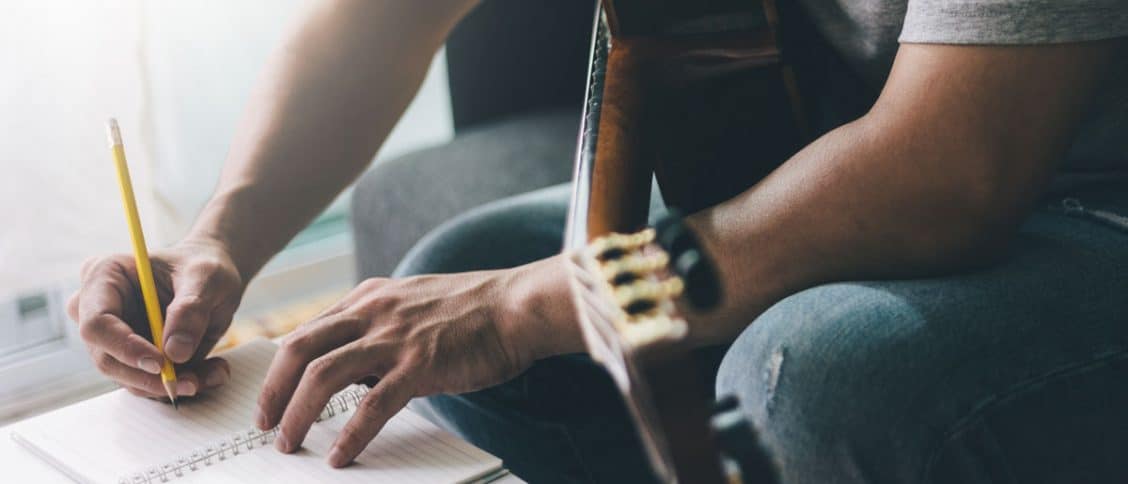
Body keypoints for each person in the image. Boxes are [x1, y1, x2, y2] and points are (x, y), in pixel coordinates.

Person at [68, 0, 1128, 482]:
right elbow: (383, 18)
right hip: (836, 161)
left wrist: (522, 306)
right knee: (444, 281)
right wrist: (219, 238)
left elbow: (951, 170)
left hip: (1077, 206)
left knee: (811, 375)